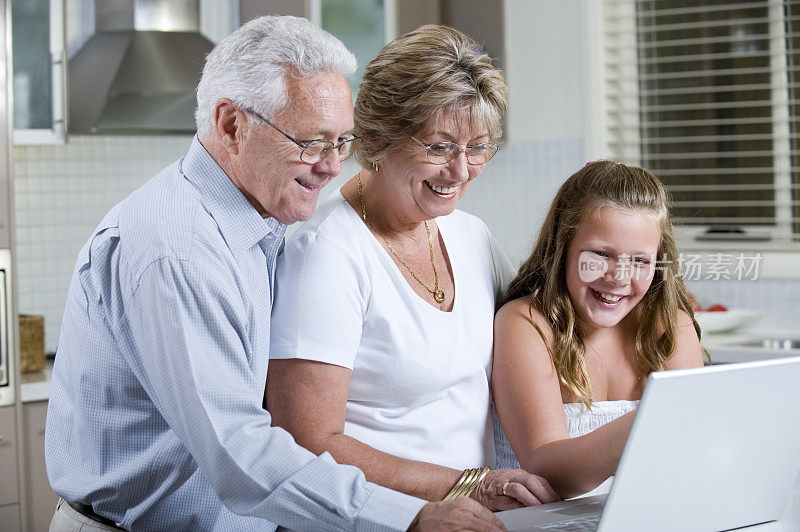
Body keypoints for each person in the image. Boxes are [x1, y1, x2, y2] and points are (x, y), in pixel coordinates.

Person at [45, 15, 507, 532]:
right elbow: (239, 454)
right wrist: (411, 517)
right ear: (230, 125)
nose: (333, 167)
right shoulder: (179, 250)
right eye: (311, 142)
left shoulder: (255, 225)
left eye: (341, 143)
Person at [267, 24, 559, 512]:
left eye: (477, 148)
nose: (460, 171)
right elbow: (306, 441)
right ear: (379, 140)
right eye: (439, 147)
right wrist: (470, 484)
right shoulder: (325, 254)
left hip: (475, 516)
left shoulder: (470, 235)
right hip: (384, 519)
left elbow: (544, 331)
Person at [491, 160, 706, 500]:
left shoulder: (670, 326)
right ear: (562, 250)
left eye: (640, 261)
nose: (619, 277)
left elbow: (690, 456)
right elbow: (545, 473)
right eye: (601, 255)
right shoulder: (527, 324)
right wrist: (645, 423)